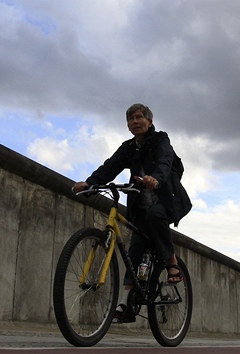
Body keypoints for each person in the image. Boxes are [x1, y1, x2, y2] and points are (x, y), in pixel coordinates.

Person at [73, 103, 191, 323]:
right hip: (141, 207)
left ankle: (173, 263)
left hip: (166, 199)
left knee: (156, 215)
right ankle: (127, 305)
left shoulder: (160, 140)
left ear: (149, 121)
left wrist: (155, 178)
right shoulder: (128, 148)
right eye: (130, 119)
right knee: (134, 251)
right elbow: (110, 167)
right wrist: (89, 183)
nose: (135, 122)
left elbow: (165, 161)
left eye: (139, 117)